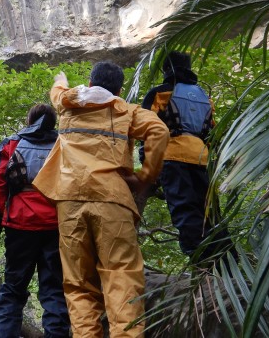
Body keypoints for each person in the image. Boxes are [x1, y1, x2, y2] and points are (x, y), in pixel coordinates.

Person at [32, 61, 169, 338]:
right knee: (121, 277)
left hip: (69, 201)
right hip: (111, 199)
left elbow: (57, 91)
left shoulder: (67, 103)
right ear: (119, 89)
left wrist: (60, 78)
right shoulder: (125, 110)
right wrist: (145, 178)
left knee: (78, 284)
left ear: (91, 84)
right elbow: (159, 132)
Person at [0, 103, 71, 338]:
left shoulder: (12, 143)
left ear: (29, 120)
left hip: (20, 225)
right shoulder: (65, 144)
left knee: (12, 289)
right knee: (54, 290)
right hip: (55, 225)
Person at [140, 50, 232, 265]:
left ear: (166, 70)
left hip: (173, 157)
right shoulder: (204, 97)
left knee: (185, 209)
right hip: (202, 159)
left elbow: (146, 129)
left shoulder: (160, 93)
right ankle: (227, 260)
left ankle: (201, 258)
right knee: (210, 211)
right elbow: (211, 132)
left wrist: (147, 165)